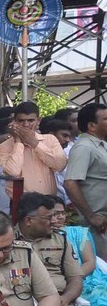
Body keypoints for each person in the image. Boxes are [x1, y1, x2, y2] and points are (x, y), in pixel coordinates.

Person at [14, 192, 93, 306]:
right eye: (48, 218)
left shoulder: (61, 240)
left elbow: (76, 279)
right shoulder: (7, 241)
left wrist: (65, 299)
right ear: (29, 220)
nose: (54, 221)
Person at [0, 101, 67, 200]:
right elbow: (13, 172)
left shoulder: (50, 139)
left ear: (38, 121)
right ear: (14, 122)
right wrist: (18, 141)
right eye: (21, 121)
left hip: (50, 200)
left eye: (30, 120)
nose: (26, 124)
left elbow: (59, 165)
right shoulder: (3, 147)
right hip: (23, 204)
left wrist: (34, 143)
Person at [63, 102, 107, 261]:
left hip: (102, 221)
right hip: (95, 223)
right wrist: (91, 216)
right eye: (106, 119)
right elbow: (70, 183)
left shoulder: (102, 145)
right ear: (92, 126)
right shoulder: (84, 147)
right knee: (101, 269)